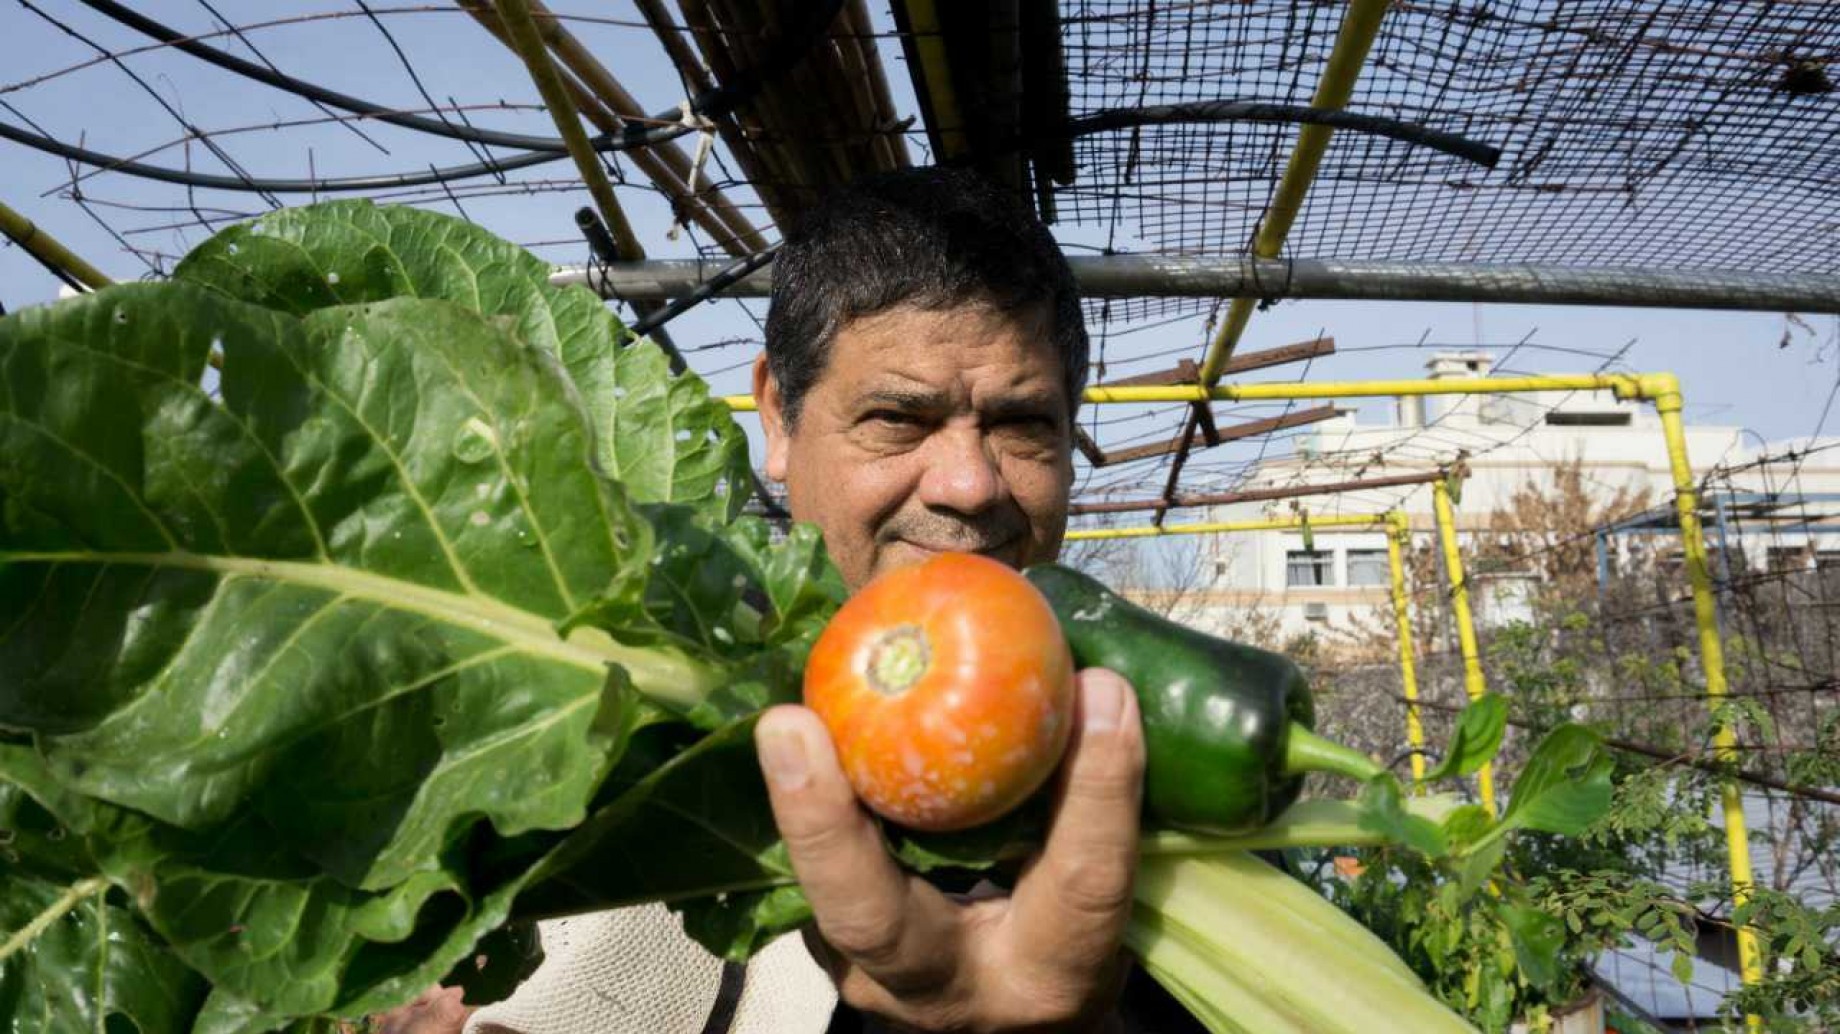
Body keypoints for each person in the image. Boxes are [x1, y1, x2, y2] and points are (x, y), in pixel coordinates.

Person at [386, 166, 1151, 1034]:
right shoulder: (605, 785)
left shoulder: (1161, 789)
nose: (970, 486)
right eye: (898, 418)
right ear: (779, 419)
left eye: (1022, 426)